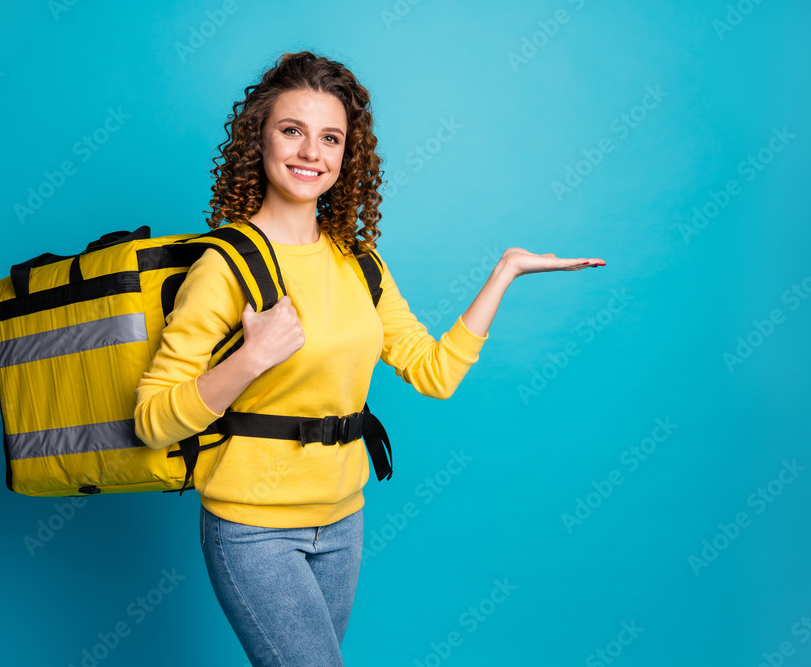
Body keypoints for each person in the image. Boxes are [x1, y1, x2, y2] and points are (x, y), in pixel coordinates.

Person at [134, 50, 605, 666]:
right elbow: (151, 422)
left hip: (343, 520)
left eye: (330, 138)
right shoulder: (224, 266)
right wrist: (251, 358)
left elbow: (434, 374)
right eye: (292, 131)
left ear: (346, 155)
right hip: (253, 528)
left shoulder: (359, 262)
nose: (311, 153)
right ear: (260, 139)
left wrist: (505, 272)